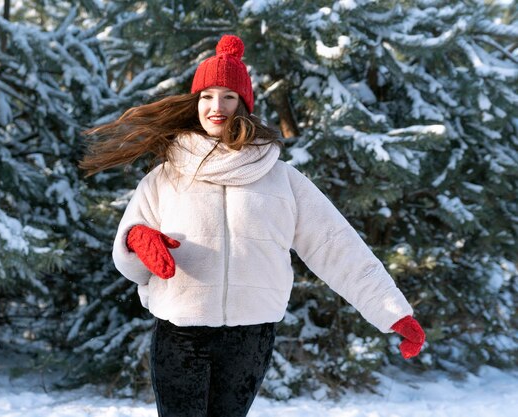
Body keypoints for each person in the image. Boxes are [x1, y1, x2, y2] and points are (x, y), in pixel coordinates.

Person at [79, 34, 425, 417]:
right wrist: (138, 242)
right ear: (195, 102)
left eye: (228, 96)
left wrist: (393, 311)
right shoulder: (165, 177)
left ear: (243, 104)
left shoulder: (282, 180)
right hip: (180, 332)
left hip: (251, 335)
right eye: (207, 96)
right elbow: (129, 259)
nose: (216, 106)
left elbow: (335, 244)